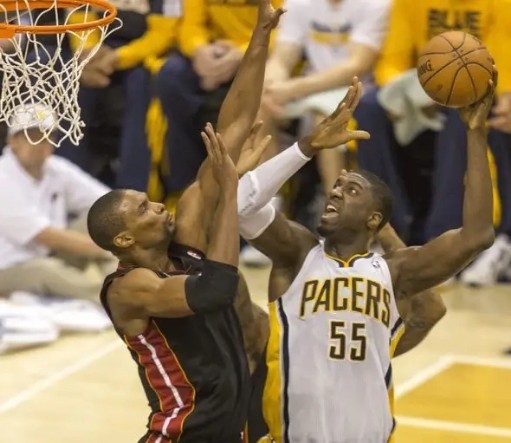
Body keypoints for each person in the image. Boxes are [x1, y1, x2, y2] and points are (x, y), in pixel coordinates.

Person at [236, 75, 496, 441]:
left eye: (352, 190)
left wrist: (475, 133)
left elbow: (477, 234)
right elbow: (241, 205)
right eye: (336, 186)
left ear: (374, 219)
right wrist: (307, 146)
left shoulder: (395, 272)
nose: (336, 192)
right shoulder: (297, 255)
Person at [87, 2, 283, 441]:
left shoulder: (186, 236)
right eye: (143, 209)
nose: (159, 206)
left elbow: (236, 123)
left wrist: (260, 37)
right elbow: (214, 290)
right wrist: (229, 194)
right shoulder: (129, 289)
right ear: (124, 239)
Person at [0, 104, 113, 302]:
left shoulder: (57, 168)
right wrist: (106, 250)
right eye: (32, 137)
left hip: (51, 255)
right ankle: (114, 299)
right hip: (10, 266)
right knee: (46, 270)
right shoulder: (3, 177)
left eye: (46, 137)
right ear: (13, 141)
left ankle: (124, 280)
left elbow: (108, 201)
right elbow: (44, 236)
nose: (40, 144)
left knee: (103, 222)